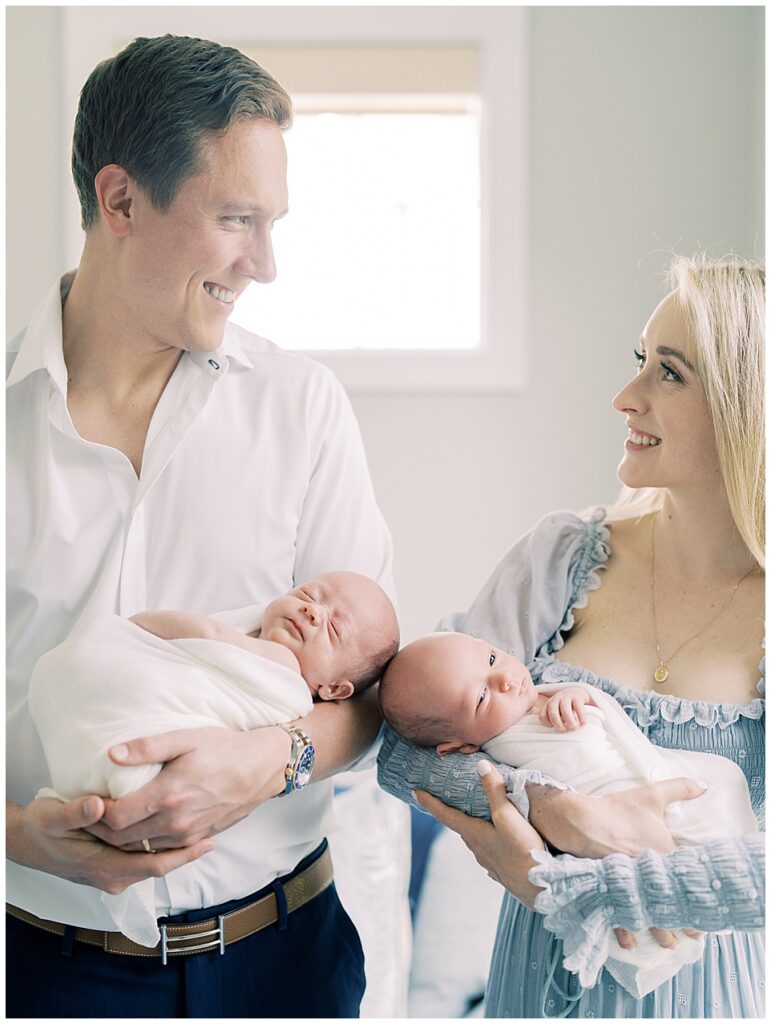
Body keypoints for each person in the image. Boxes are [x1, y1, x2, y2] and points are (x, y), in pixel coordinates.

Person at [7, 34, 396, 1018]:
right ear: (122, 200)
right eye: (235, 220)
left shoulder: (302, 407)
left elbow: (374, 691)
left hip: (288, 962)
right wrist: (10, 833)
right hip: (48, 974)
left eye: (272, 224)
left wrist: (273, 759)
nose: (263, 263)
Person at [378, 254, 765, 1017]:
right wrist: (546, 806)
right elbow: (401, 749)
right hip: (538, 987)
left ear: (746, 406)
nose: (626, 397)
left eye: (669, 373)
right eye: (639, 363)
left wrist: (569, 876)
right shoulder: (560, 558)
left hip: (708, 998)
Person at [30, 571, 399, 946]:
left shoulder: (281, 669)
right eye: (307, 593)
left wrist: (130, 630)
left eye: (334, 629)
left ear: (334, 689)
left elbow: (208, 636)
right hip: (54, 930)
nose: (313, 610)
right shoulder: (260, 638)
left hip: (272, 926)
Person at [379, 631, 757, 997]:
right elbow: (398, 759)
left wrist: (576, 695)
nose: (506, 680)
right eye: (481, 696)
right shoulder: (500, 746)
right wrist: (558, 809)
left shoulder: (536, 699)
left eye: (493, 658)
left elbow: (603, 722)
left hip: (730, 927)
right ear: (459, 745)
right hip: (561, 911)